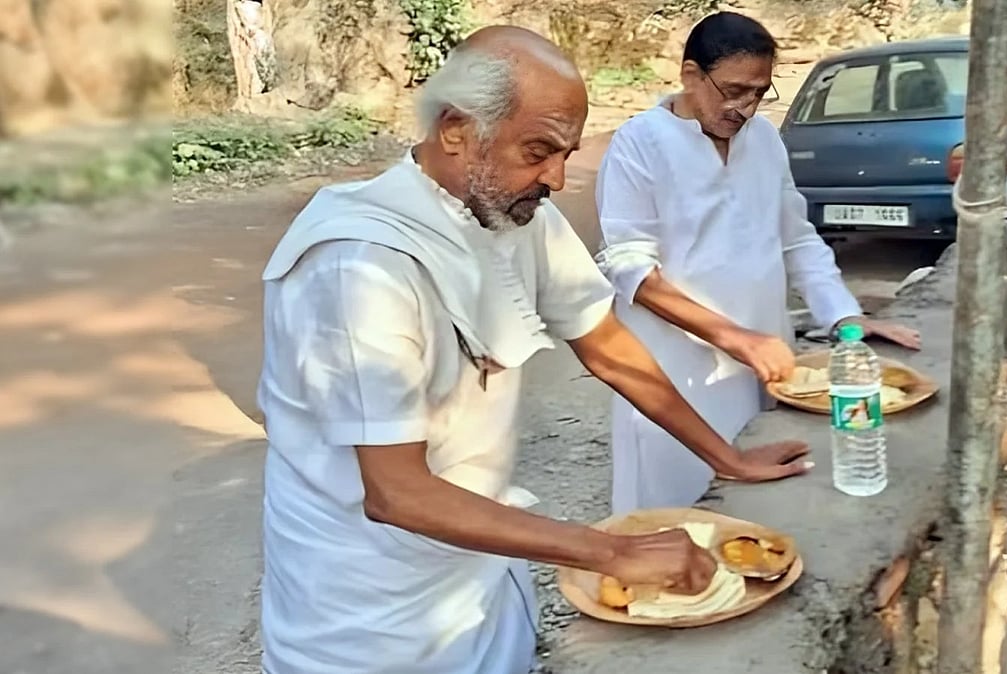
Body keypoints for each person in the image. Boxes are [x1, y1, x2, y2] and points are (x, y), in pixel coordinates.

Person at [255, 26, 811, 674]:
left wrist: (729, 459)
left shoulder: (518, 214)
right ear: (456, 130)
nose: (557, 177)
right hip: (365, 628)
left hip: (484, 594)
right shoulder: (359, 266)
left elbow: (607, 347)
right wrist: (608, 552)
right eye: (539, 150)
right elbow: (397, 494)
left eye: (566, 152)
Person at [595, 12, 923, 515]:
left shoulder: (764, 140)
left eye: (758, 93)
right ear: (689, 75)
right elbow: (630, 269)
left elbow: (796, 237)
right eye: (732, 90)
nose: (744, 107)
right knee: (675, 512)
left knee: (757, 505)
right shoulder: (639, 142)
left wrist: (845, 316)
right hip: (674, 372)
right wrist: (734, 337)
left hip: (764, 363)